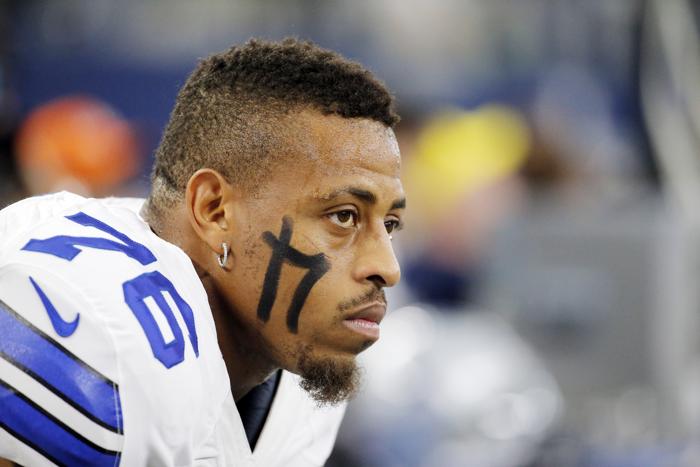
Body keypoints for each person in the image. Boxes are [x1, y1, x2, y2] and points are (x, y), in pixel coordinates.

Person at [0, 38, 405, 466]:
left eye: (391, 225)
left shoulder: (298, 370)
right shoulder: (89, 328)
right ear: (214, 210)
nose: (387, 268)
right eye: (343, 216)